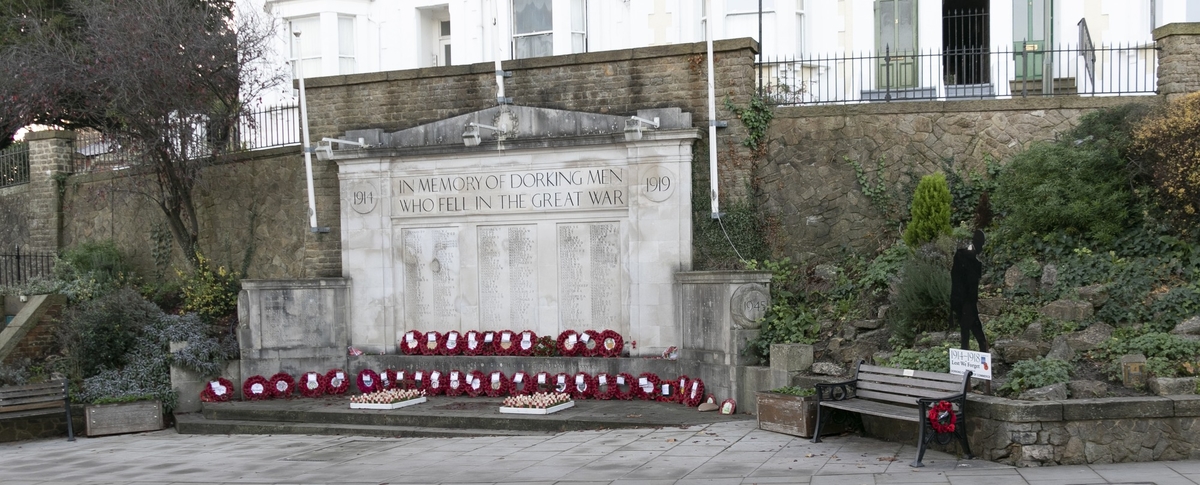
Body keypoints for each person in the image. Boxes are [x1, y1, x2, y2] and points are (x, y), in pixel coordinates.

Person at [950, 229, 987, 352]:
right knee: (972, 326)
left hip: (964, 300)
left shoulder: (973, 261)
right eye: (981, 244)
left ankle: (969, 351)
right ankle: (981, 350)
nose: (982, 247)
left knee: (966, 328)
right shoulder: (963, 257)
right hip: (964, 300)